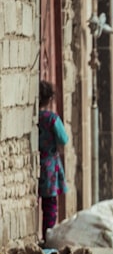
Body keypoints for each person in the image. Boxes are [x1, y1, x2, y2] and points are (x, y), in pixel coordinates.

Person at [38, 80, 68, 242]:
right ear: (50, 99)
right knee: (50, 204)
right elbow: (63, 138)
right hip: (50, 166)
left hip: (35, 164)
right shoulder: (52, 119)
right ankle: (47, 237)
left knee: (36, 201)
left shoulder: (34, 119)